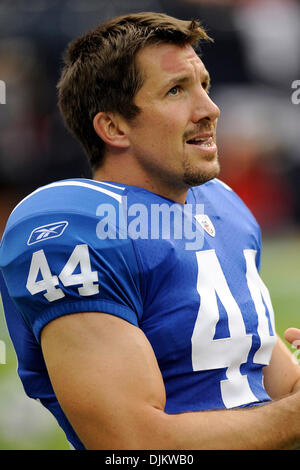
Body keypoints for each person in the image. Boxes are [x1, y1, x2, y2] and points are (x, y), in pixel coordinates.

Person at [1, 11, 300, 451]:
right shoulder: (72, 226)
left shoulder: (224, 206)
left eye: (205, 86)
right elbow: (131, 446)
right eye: (176, 90)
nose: (210, 109)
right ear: (114, 127)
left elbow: (273, 388)